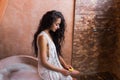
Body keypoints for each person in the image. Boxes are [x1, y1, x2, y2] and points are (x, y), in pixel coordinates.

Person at [32, 10, 80, 80]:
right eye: (56, 24)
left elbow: (55, 53)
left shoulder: (50, 34)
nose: (58, 27)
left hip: (54, 67)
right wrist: (61, 70)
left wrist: (65, 65)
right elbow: (44, 62)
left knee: (77, 74)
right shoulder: (42, 37)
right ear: (49, 23)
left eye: (59, 24)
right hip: (47, 71)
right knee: (74, 76)